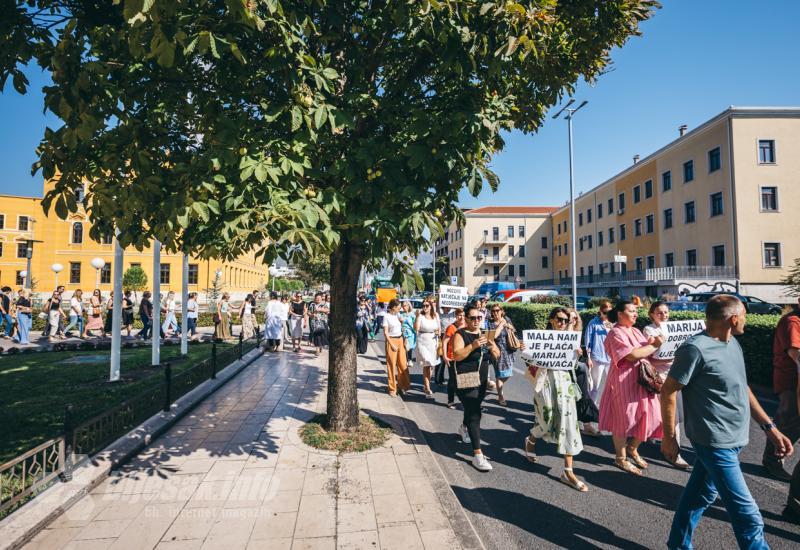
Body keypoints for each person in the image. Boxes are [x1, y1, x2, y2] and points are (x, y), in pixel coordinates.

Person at [662, 295, 794, 549]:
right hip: (714, 442)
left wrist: (770, 428)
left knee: (700, 495)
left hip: (735, 439)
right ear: (734, 319)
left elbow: (742, 387)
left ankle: (677, 545)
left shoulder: (733, 343)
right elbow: (668, 390)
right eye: (744, 315)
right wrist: (669, 438)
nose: (745, 319)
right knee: (748, 515)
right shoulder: (694, 349)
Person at [522, 307, 588, 492]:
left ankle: (568, 471)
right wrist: (526, 351)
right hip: (545, 383)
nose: (562, 323)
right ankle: (532, 439)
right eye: (559, 319)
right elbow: (529, 363)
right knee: (546, 420)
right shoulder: (540, 338)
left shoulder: (570, 340)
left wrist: (577, 354)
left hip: (564, 384)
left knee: (568, 424)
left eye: (566, 320)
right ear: (551, 320)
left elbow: (572, 365)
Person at [600, 300, 664, 475]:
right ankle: (620, 458)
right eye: (631, 311)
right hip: (623, 382)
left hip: (643, 380)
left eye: (636, 311)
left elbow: (647, 351)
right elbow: (632, 355)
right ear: (620, 314)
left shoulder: (635, 330)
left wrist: (652, 344)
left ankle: (632, 448)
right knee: (624, 420)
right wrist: (654, 345)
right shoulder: (615, 333)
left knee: (653, 416)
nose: (636, 314)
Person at [452, 302, 500, 471]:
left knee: (473, 409)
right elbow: (457, 355)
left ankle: (464, 427)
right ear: (466, 319)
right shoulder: (460, 334)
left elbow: (496, 355)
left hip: (481, 381)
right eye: (472, 318)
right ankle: (478, 455)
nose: (476, 321)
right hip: (465, 379)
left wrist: (493, 347)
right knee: (475, 413)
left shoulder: (485, 334)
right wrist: (473, 345)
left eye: (479, 317)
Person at [644, 301, 690, 470]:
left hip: (677, 375)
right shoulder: (649, 330)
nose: (664, 316)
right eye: (659, 313)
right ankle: (674, 453)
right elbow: (651, 355)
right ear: (652, 315)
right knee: (673, 415)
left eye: (666, 312)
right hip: (660, 377)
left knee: (681, 413)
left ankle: (658, 436)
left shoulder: (674, 328)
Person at [763, 297, 800, 481]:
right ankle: (772, 460)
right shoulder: (792, 322)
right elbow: (796, 354)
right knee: (788, 419)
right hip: (791, 381)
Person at [488, 305, 519, 407]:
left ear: (501, 311)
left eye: (497, 310)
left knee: (508, 374)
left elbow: (514, 330)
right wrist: (501, 325)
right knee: (500, 375)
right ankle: (500, 396)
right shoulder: (490, 323)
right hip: (497, 352)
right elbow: (493, 336)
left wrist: (510, 327)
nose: (495, 312)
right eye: (493, 311)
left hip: (509, 351)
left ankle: (496, 385)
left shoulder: (507, 319)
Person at [584, 299, 613, 407]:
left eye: (609, 312)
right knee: (595, 385)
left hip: (611, 358)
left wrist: (613, 329)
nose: (607, 315)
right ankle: (591, 409)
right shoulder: (593, 323)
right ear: (600, 311)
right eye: (605, 312)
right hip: (597, 357)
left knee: (611, 385)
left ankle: (607, 408)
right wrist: (588, 357)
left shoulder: (613, 323)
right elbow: (588, 341)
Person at [383, 298, 411, 397]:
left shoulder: (398, 315)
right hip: (392, 340)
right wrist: (391, 344)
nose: (400, 309)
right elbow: (385, 333)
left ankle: (402, 386)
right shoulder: (386, 316)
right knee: (391, 365)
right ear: (394, 308)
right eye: (399, 308)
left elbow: (404, 325)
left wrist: (405, 338)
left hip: (400, 339)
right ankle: (392, 388)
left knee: (403, 364)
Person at [414, 299, 441, 398]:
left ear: (431, 306)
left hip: (433, 342)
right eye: (423, 305)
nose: (425, 307)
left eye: (427, 305)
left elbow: (439, 328)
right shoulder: (420, 316)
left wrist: (439, 336)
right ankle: (427, 388)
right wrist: (417, 317)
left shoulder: (436, 315)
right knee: (427, 364)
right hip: (422, 342)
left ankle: (426, 384)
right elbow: (416, 328)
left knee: (431, 366)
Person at [442, 308, 465, 408]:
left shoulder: (467, 327)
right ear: (456, 316)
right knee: (453, 380)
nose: (462, 317)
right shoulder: (451, 327)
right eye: (459, 315)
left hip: (464, 357)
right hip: (452, 357)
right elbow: (444, 342)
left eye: (463, 315)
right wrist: (445, 356)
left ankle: (464, 400)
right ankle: (450, 401)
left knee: (463, 380)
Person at [307, 292, 330, 356]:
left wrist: (320, 310)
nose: (318, 299)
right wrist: (312, 315)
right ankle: (317, 349)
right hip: (314, 323)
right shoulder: (312, 304)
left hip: (323, 322)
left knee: (322, 335)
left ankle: (320, 346)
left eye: (319, 298)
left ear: (321, 298)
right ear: (315, 298)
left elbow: (327, 311)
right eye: (316, 298)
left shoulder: (324, 304)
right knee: (316, 336)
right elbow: (308, 312)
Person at [401, 301, 417, 368]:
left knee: (409, 347)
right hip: (403, 333)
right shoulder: (401, 314)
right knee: (404, 347)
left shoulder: (412, 315)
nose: (404, 307)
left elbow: (414, 324)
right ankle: (404, 359)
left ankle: (409, 359)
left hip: (410, 333)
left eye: (405, 305)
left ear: (408, 306)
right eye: (403, 306)